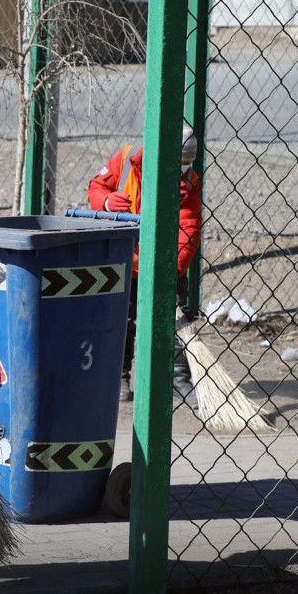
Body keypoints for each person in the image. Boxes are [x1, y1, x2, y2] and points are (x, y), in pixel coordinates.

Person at [87, 126, 203, 401]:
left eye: (188, 163)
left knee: (174, 319)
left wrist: (172, 268)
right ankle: (119, 377)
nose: (185, 169)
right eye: (181, 162)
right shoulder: (126, 161)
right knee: (121, 320)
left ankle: (177, 377)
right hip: (123, 260)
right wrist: (105, 202)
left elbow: (188, 227)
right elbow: (96, 186)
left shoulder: (188, 182)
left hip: (163, 263)